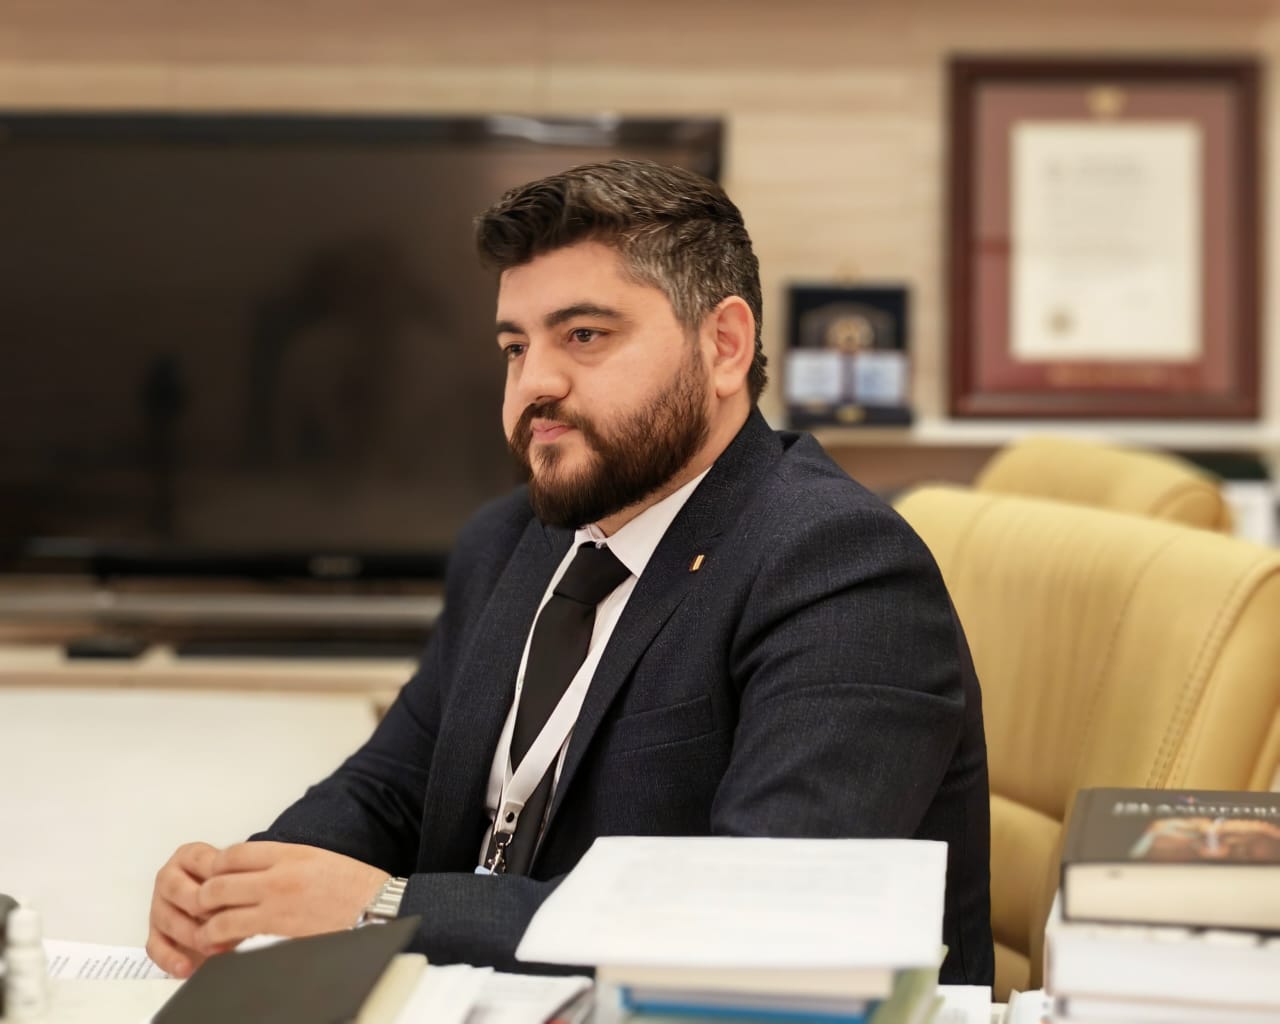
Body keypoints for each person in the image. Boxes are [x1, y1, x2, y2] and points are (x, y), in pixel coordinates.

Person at [147, 159, 993, 986]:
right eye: (515, 346)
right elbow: (394, 784)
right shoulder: (509, 538)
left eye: (584, 336)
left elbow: (761, 912)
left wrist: (383, 909)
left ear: (724, 346)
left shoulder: (838, 564)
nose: (534, 383)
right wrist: (250, 886)